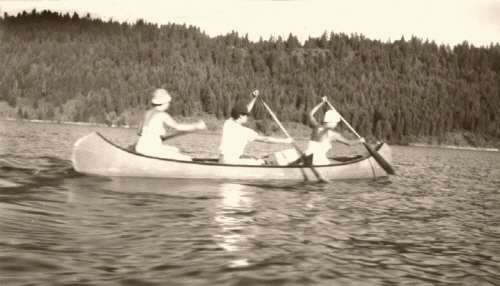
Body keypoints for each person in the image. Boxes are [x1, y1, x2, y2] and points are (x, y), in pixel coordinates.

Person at [218, 90, 293, 165]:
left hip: (222, 160)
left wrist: (254, 99)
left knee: (253, 158)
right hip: (230, 162)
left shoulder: (228, 123)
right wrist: (285, 141)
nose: (247, 117)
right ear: (241, 116)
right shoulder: (245, 132)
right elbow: (265, 139)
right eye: (246, 115)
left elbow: (246, 110)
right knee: (261, 162)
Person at [135, 88, 206, 160]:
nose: (169, 104)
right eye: (168, 102)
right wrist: (196, 125)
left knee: (175, 150)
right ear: (165, 103)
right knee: (187, 159)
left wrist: (157, 138)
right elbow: (178, 127)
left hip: (140, 147)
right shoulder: (162, 114)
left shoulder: (147, 113)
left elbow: (139, 132)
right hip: (151, 149)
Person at [305, 96, 365, 165]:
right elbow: (349, 143)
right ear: (332, 121)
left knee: (334, 160)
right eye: (336, 122)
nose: (336, 124)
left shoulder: (316, 126)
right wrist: (360, 140)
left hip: (307, 159)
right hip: (318, 162)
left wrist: (322, 102)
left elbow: (310, 114)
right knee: (341, 163)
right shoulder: (333, 134)